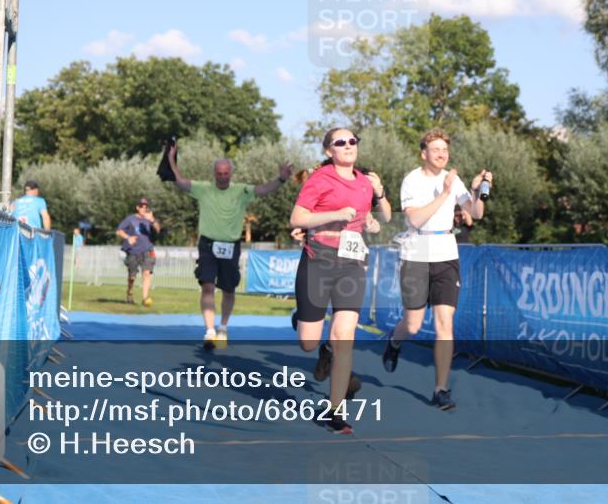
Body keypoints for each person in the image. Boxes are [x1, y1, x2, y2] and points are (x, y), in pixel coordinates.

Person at [289, 127, 391, 434]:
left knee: (344, 336)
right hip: (318, 258)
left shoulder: (365, 181)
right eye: (341, 142)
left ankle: (335, 411)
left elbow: (383, 219)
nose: (348, 145)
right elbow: (297, 218)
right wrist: (333, 214)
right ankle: (322, 347)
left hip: (352, 263)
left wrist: (379, 196)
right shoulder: (319, 179)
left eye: (352, 141)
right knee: (308, 342)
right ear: (329, 151)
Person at [382, 128, 491, 411]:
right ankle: (394, 342)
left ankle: (440, 389)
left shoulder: (454, 180)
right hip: (416, 252)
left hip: (446, 254)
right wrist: (445, 193)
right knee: (414, 325)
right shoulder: (412, 180)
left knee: (445, 324)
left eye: (445, 149)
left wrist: (478, 190)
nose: (442, 154)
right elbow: (416, 219)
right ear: (424, 154)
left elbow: (476, 213)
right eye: (436, 149)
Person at [166, 144, 293, 348]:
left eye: (226, 173)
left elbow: (263, 189)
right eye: (219, 173)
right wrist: (171, 159)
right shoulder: (203, 189)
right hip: (208, 245)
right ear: (214, 174)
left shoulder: (241, 190)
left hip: (230, 246)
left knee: (228, 289)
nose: (223, 177)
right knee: (207, 285)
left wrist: (281, 179)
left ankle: (223, 328)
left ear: (230, 173)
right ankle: (209, 332)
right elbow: (179, 181)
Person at [115, 198, 161, 307]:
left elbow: (158, 230)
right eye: (142, 206)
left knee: (147, 273)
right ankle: (129, 292)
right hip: (133, 251)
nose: (144, 208)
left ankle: (145, 299)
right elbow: (118, 231)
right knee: (132, 276)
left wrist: (153, 220)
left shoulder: (149, 219)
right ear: (137, 207)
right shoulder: (130, 219)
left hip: (147, 250)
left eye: (146, 207)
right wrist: (128, 237)